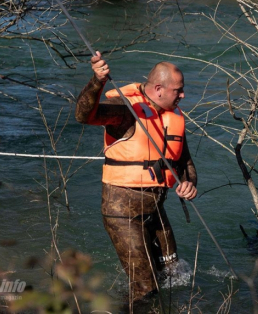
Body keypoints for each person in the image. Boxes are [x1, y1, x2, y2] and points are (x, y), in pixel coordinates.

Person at [75, 51, 198, 303]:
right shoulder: (125, 109)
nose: (183, 95)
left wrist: (189, 183)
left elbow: (184, 161)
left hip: (155, 208)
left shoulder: (173, 115)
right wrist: (97, 81)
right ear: (158, 89)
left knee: (174, 275)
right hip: (122, 212)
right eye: (178, 90)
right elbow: (84, 116)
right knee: (145, 289)